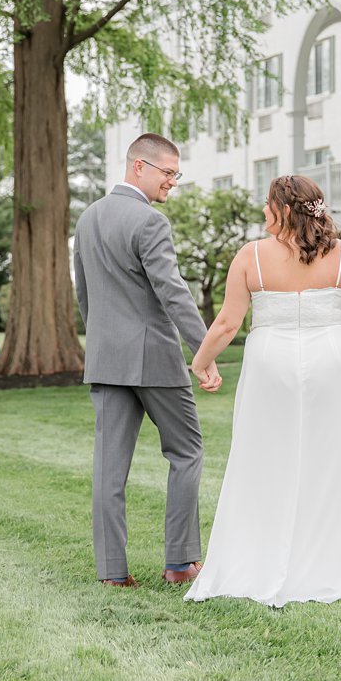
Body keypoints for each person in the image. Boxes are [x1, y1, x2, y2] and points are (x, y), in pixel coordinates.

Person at [184, 174, 341, 607]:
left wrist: (201, 362)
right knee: (338, 460)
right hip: (335, 360)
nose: (264, 212)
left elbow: (227, 324)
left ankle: (259, 558)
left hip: (270, 362)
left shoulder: (250, 257)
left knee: (264, 458)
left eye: (268, 205)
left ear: (285, 209)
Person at [73, 133, 222, 588]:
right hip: (154, 359)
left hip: (105, 359)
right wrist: (205, 351)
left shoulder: (88, 219)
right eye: (169, 172)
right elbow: (173, 293)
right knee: (187, 451)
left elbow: (84, 296)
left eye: (177, 174)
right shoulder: (150, 222)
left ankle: (112, 574)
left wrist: (102, 340)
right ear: (140, 166)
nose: (173, 182)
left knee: (109, 470)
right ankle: (180, 563)